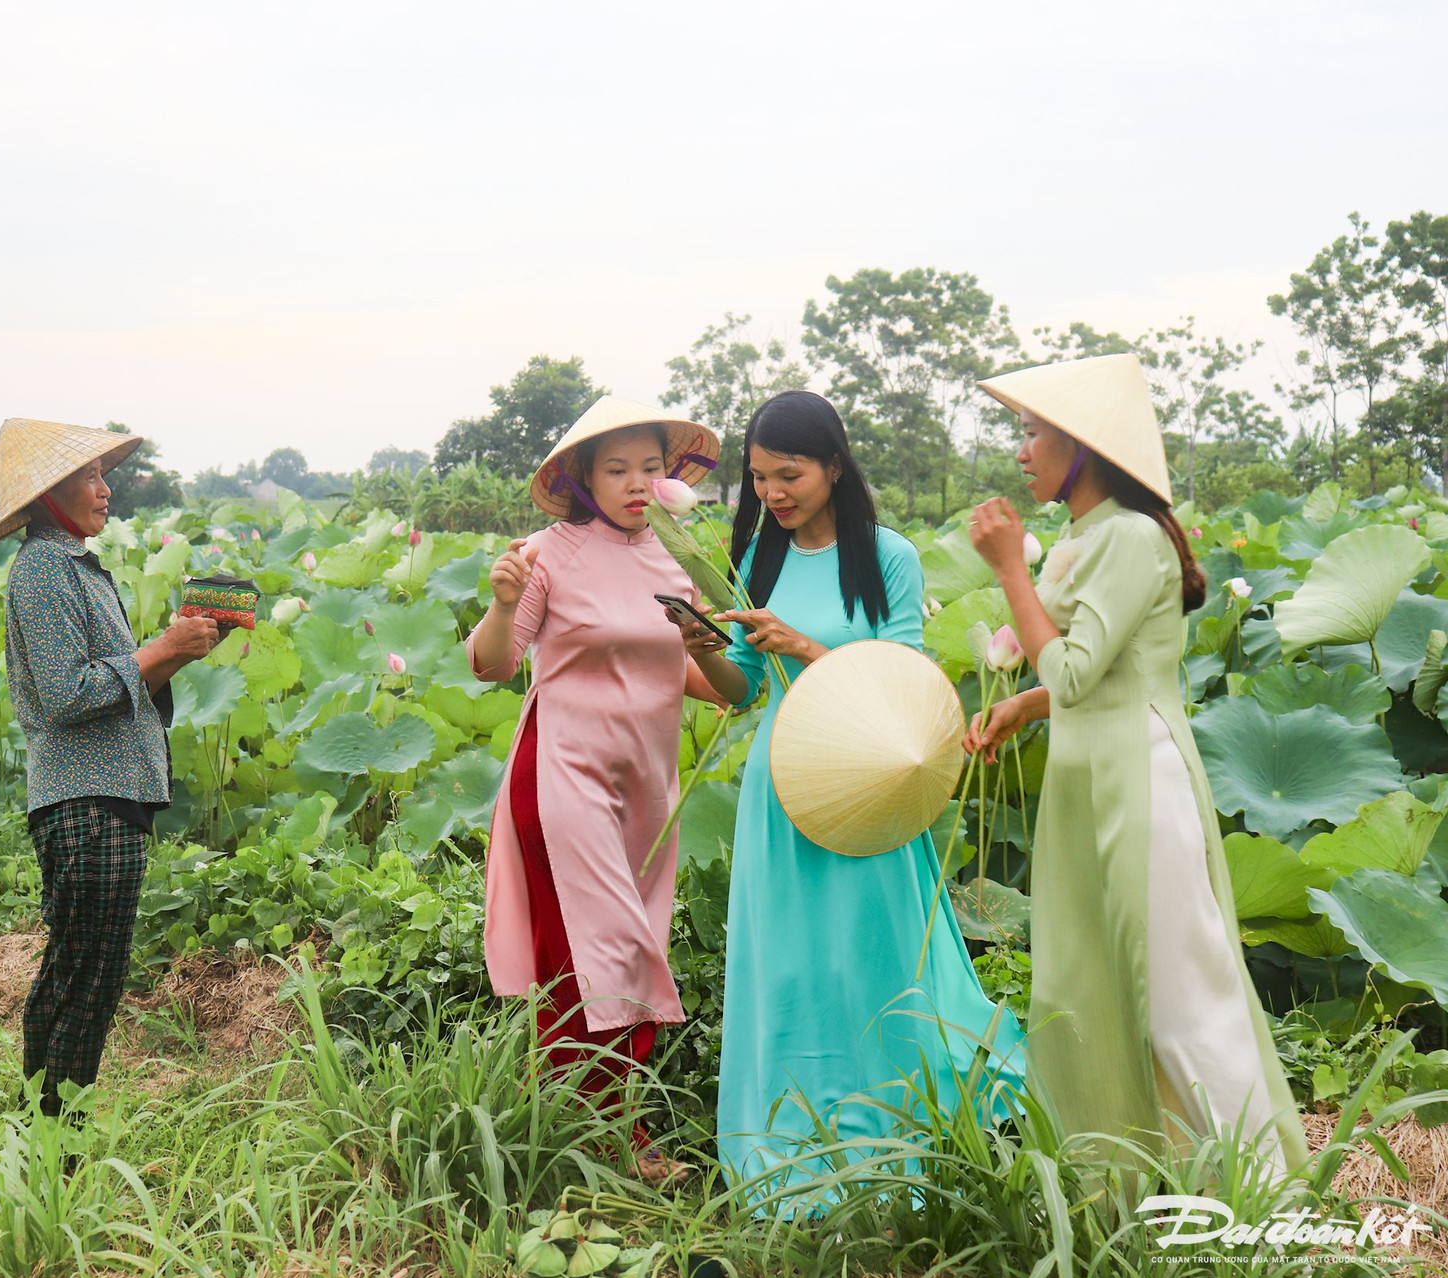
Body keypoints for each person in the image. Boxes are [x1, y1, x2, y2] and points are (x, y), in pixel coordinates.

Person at [677, 390, 1025, 1209]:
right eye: (759, 480)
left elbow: (903, 680)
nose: (773, 494)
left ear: (834, 464)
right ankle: (791, 1138)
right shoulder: (760, 554)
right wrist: (703, 649)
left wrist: (804, 644)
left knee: (870, 952)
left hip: (869, 779)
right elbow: (740, 690)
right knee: (791, 962)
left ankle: (895, 1132)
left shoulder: (888, 557)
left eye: (788, 474)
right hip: (783, 779)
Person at [964, 354, 1306, 1174]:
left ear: (1081, 444)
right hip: (1089, 779)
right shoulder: (1089, 536)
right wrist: (1022, 704)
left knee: (1178, 998)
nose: (1021, 451)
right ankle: (1146, 1186)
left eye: (1033, 431)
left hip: (1137, 782)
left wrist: (1011, 569)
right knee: (1090, 987)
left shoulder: (1128, 535)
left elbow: (1077, 671)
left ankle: (1259, 1195)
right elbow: (1094, 674)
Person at [467, 395, 722, 1182]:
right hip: (563, 771)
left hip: (647, 785)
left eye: (651, 467)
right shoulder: (546, 553)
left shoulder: (680, 560)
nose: (637, 483)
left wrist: (713, 643)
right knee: (593, 950)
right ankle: (604, 1138)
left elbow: (713, 683)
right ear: (583, 477)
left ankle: (591, 1122)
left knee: (634, 946)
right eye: (617, 469)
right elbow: (493, 666)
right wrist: (505, 603)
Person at [0, 417, 221, 1117]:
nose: (106, 489)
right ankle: (55, 1133)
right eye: (90, 476)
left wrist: (180, 648)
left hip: (109, 793)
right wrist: (158, 648)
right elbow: (67, 694)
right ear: (52, 493)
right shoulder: (44, 570)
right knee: (84, 976)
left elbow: (121, 679)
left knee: (87, 973)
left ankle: (49, 1127)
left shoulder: (74, 566)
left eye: (103, 474)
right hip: (84, 799)